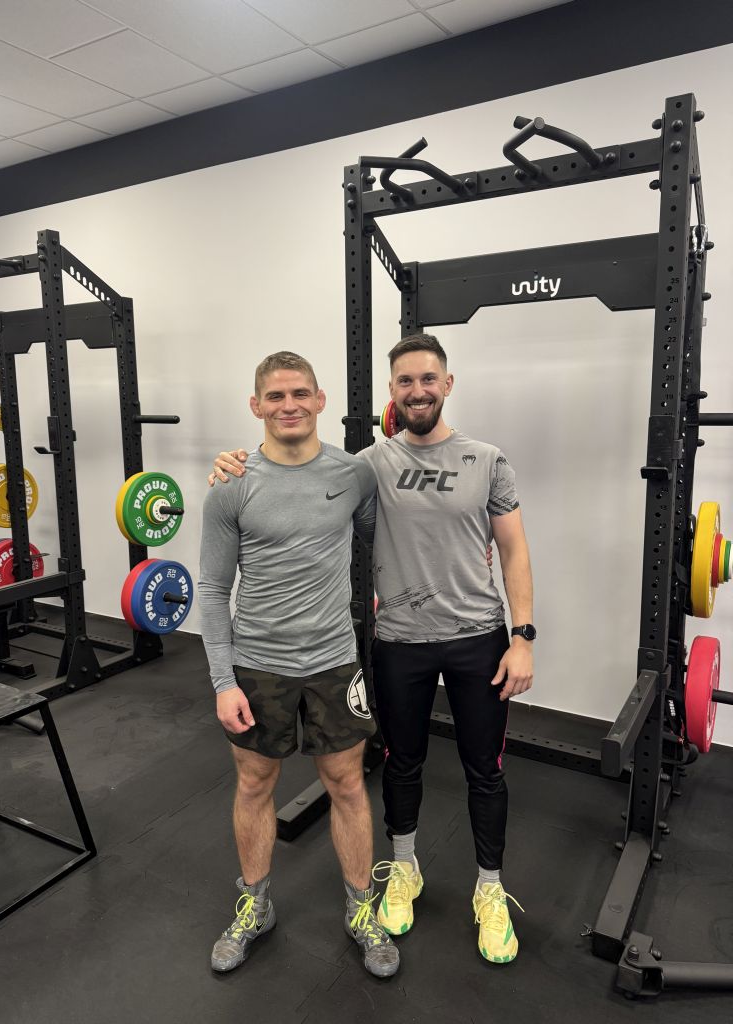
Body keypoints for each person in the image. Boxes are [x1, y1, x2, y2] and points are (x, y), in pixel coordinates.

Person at [210, 334, 534, 964]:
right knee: (399, 763)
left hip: (471, 638)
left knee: (482, 770)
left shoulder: (480, 460)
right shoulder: (365, 465)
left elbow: (514, 548)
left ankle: (489, 891)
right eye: (405, 381)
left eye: (428, 379)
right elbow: (259, 543)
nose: (418, 391)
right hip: (394, 642)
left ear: (447, 384)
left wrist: (522, 636)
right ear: (391, 392)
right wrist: (231, 463)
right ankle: (400, 870)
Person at [198, 350, 399, 979]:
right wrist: (223, 681)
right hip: (259, 665)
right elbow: (212, 589)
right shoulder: (231, 485)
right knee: (255, 784)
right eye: (276, 396)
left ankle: (362, 910)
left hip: (334, 661)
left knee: (348, 785)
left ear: (320, 400)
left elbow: (387, 539)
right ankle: (254, 907)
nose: (289, 405)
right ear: (256, 405)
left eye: (300, 394)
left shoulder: (353, 473)